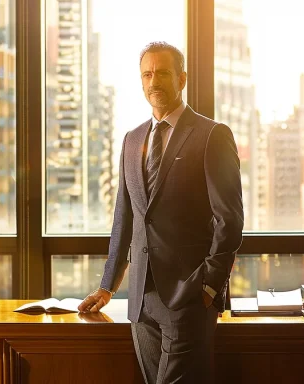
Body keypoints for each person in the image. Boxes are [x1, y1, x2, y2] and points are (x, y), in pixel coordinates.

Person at [77, 41, 244, 384]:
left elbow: (230, 220)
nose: (154, 81)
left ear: (182, 79)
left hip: (189, 299)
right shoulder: (131, 139)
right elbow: (125, 218)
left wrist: (209, 286)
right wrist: (107, 287)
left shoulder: (213, 135)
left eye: (163, 73)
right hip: (140, 302)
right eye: (147, 74)